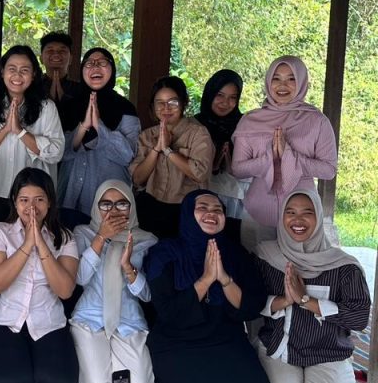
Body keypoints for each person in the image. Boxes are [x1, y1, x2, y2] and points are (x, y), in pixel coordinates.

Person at [144, 190, 274, 383]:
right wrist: (205, 279)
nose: (211, 214)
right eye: (202, 208)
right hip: (178, 340)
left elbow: (252, 306)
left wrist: (223, 279)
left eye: (217, 210)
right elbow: (169, 312)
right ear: (187, 213)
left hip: (225, 338)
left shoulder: (235, 253)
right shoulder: (165, 253)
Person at [254, 190, 370, 383]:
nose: (297, 220)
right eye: (290, 212)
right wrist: (284, 300)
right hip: (281, 346)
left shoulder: (343, 266)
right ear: (282, 217)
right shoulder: (265, 256)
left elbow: (358, 318)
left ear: (318, 217)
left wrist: (307, 301)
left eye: (307, 213)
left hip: (328, 351)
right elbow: (250, 302)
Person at [0, 167, 80, 383]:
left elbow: (65, 290)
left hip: (48, 321)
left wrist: (41, 243)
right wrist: (27, 244)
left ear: (50, 202)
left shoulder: (65, 237)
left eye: (39, 200)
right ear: (15, 202)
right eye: (24, 200)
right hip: (6, 319)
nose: (31, 207)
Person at [231, 56, 337, 246]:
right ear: (268, 81)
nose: (282, 85)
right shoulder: (250, 120)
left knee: (300, 263)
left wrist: (290, 156)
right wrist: (269, 158)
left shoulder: (317, 121)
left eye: (291, 78)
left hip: (303, 212)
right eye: (276, 78)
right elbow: (238, 169)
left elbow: (328, 170)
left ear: (302, 82)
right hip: (258, 210)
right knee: (257, 261)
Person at [70, 180, 157, 383]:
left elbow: (148, 294)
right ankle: (107, 372)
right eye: (106, 204)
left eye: (122, 204)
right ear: (96, 207)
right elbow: (78, 278)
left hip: (128, 321)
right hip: (90, 319)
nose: (114, 210)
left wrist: (129, 268)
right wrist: (100, 238)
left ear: (132, 207)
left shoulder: (146, 240)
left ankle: (117, 370)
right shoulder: (83, 233)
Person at [0, 45, 64, 236]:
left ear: (34, 74)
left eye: (25, 70)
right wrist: (6, 129)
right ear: (2, 71)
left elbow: (55, 153)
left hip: (34, 197)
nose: (17, 75)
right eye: (12, 69)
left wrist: (20, 132)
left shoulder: (47, 108)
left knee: (34, 246)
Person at [57, 48, 141, 226]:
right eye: (89, 63)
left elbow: (127, 156)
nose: (95, 67)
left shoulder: (125, 108)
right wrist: (83, 127)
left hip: (109, 199)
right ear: (82, 70)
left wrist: (99, 126)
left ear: (112, 69)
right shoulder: (68, 106)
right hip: (70, 193)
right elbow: (59, 152)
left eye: (102, 62)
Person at [129, 76, 214, 238]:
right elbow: (138, 179)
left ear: (183, 103)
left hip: (185, 209)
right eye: (159, 103)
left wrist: (167, 150)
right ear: (153, 106)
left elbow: (199, 173)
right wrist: (156, 149)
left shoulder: (198, 133)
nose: (166, 108)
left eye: (172, 102)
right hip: (150, 206)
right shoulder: (147, 135)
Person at [195, 69, 247, 224]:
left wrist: (231, 164)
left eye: (232, 97)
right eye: (220, 95)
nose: (225, 103)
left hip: (235, 203)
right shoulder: (194, 125)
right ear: (210, 93)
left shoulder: (245, 126)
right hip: (198, 200)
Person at [39, 31, 83, 116]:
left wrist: (63, 98)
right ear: (41, 59)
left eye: (62, 51)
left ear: (70, 59)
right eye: (50, 50)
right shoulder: (33, 87)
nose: (56, 54)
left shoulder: (81, 89)